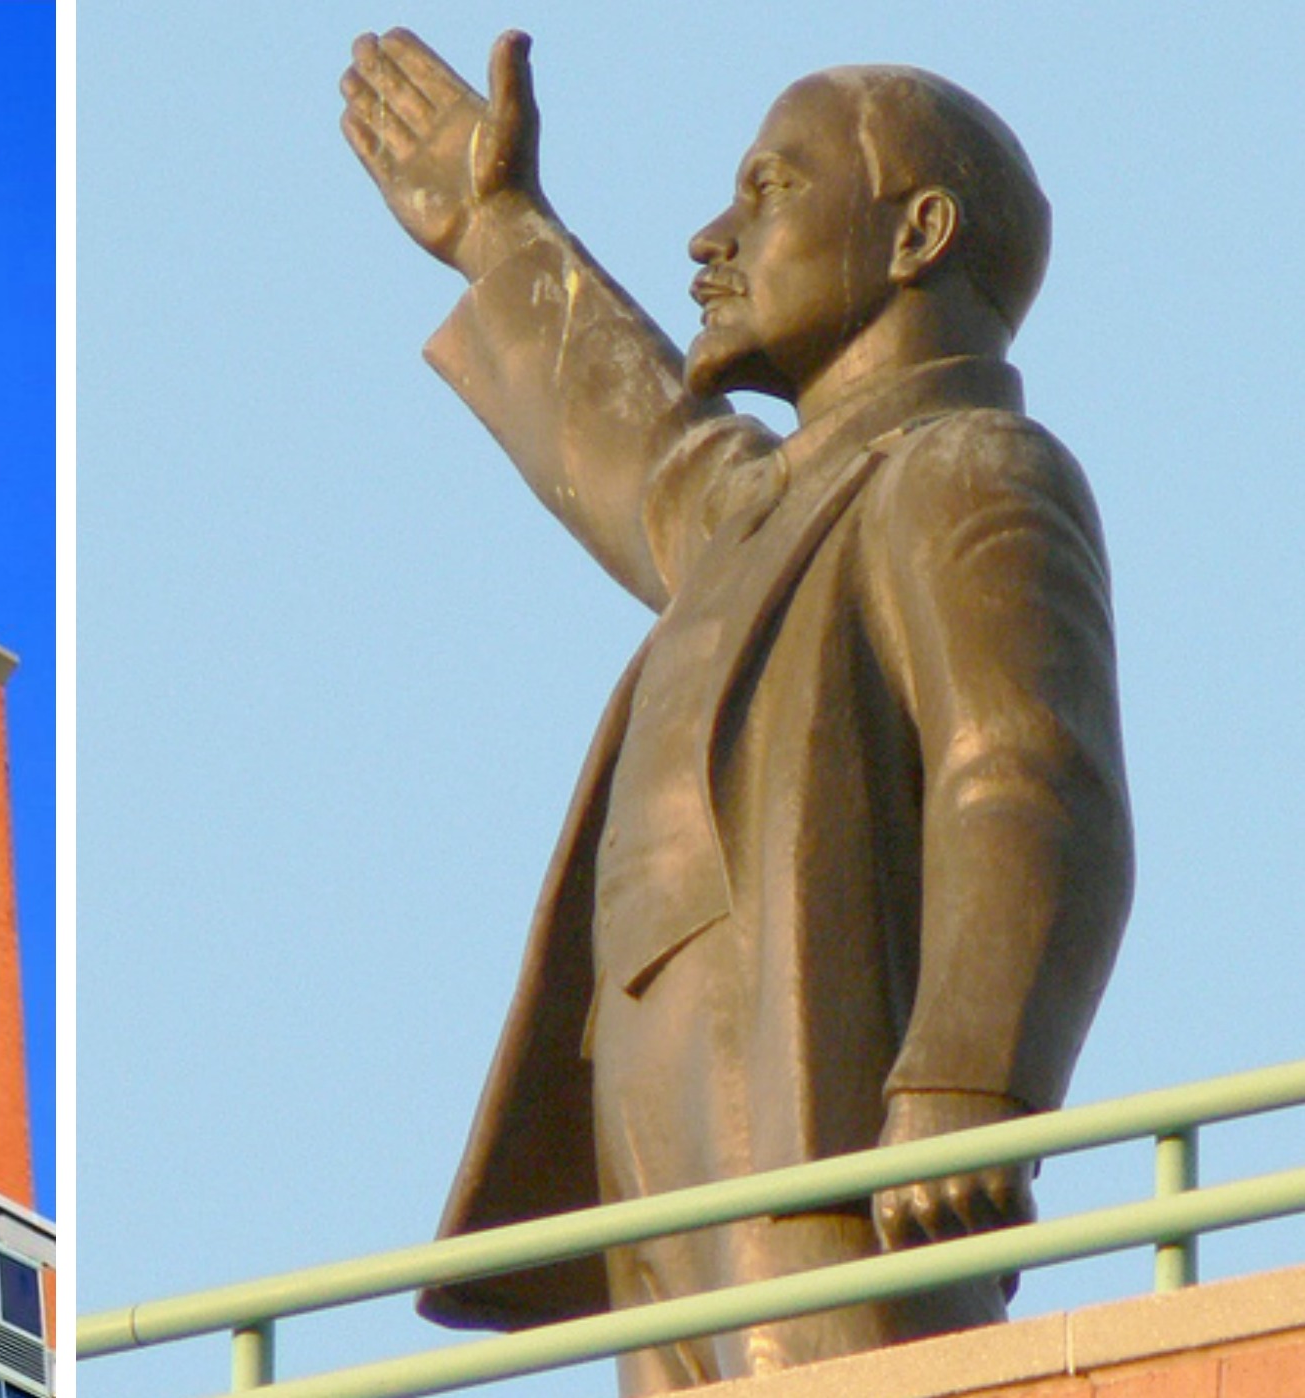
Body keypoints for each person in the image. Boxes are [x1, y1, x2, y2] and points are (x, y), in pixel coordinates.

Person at [340, 29, 1131, 1390]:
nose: (709, 239)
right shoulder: (762, 510)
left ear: (914, 232)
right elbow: (642, 449)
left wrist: (966, 1081)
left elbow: (1017, 776)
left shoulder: (964, 466)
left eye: (767, 190)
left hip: (810, 1096)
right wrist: (496, 231)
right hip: (655, 1106)